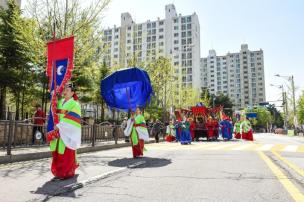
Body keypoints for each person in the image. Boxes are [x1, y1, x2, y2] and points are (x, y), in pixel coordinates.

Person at [48, 83, 81, 180]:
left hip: (67, 132)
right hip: (57, 130)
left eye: (67, 90)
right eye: (65, 89)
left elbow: (72, 120)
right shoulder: (60, 102)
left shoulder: (75, 104)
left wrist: (60, 126)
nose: (65, 91)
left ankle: (66, 173)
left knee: (66, 153)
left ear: (72, 93)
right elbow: (54, 114)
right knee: (57, 152)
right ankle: (58, 172)